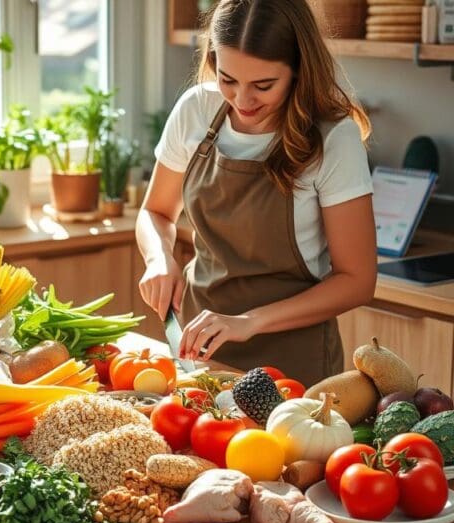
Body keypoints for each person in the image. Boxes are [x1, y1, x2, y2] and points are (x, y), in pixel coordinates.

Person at [136, 0, 376, 386]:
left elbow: (357, 279)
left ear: (299, 70)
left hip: (293, 368)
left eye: (263, 86)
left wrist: (248, 322)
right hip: (200, 356)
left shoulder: (334, 138)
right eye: (228, 79)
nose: (242, 101)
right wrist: (158, 258)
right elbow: (156, 213)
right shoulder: (196, 110)